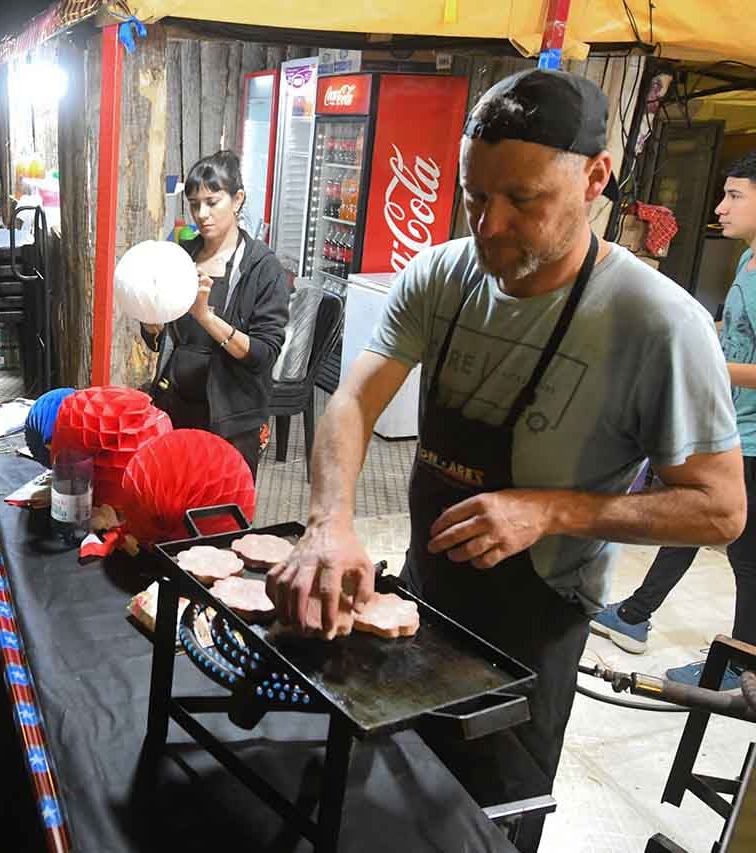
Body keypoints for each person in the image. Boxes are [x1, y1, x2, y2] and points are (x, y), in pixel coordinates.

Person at [266, 69, 745, 852]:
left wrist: (553, 509)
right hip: (425, 596)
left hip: (535, 634)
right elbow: (352, 402)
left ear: (595, 179)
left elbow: (721, 507)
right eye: (473, 196)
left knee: (480, 831)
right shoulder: (443, 276)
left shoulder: (658, 324)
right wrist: (331, 521)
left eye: (523, 200)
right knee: (378, 802)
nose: (489, 226)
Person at [591, 152, 756, 690]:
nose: (720, 207)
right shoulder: (748, 260)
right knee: (693, 515)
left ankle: (740, 664)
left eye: (734, 196)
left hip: (753, 437)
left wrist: (706, 363)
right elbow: (733, 331)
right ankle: (635, 615)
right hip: (731, 424)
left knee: (746, 553)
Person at [139, 150, 290, 478]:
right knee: (171, 499)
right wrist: (152, 326)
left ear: (237, 200)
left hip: (232, 419)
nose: (201, 214)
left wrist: (206, 317)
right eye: (194, 204)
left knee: (220, 512)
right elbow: (164, 338)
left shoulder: (263, 269)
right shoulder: (182, 256)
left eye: (212, 201)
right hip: (175, 406)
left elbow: (263, 355)